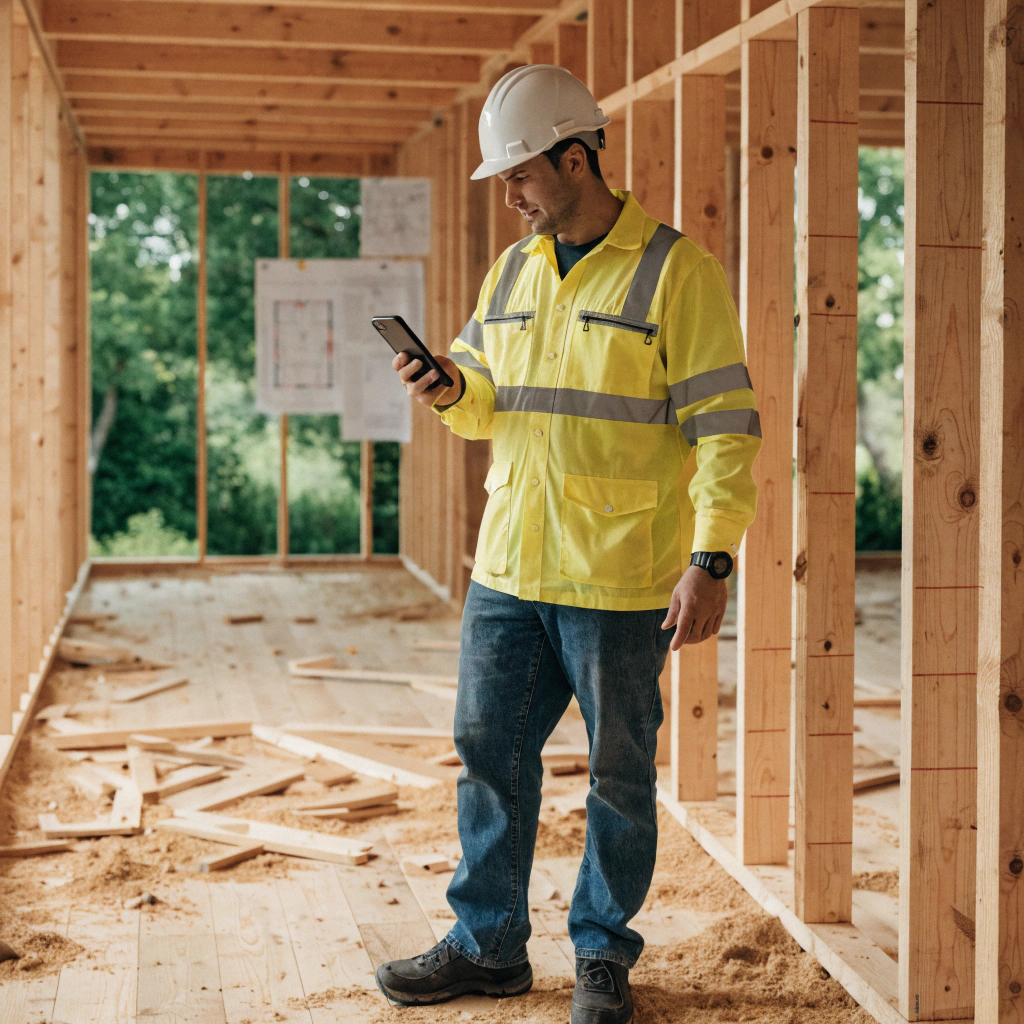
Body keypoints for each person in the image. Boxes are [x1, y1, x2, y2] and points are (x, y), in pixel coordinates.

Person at [378, 64, 760, 1024]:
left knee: (619, 775)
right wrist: (448, 390)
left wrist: (711, 558)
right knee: (488, 758)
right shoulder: (511, 270)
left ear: (576, 158)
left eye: (519, 175)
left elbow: (727, 427)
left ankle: (602, 956)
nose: (509, 193)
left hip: (621, 575)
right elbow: (484, 402)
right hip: (509, 565)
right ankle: (488, 946)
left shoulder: (678, 271)